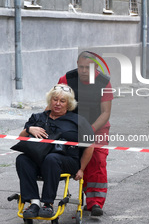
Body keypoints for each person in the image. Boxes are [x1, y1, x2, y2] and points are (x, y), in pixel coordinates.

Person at [15, 84, 94, 219]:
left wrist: (81, 169)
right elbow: (21, 138)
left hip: (67, 161)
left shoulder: (78, 121)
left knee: (52, 158)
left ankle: (48, 203)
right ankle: (34, 202)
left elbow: (90, 146)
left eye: (62, 101)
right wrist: (29, 130)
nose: (57, 104)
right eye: (55, 99)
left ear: (68, 104)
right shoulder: (38, 117)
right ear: (50, 100)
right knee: (22, 159)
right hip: (39, 159)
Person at [57, 51, 113, 216]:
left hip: (97, 127)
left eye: (87, 68)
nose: (83, 70)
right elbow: (56, 103)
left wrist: (90, 131)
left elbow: (105, 113)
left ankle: (95, 202)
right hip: (72, 126)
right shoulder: (66, 80)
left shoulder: (104, 83)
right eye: (80, 66)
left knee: (97, 159)